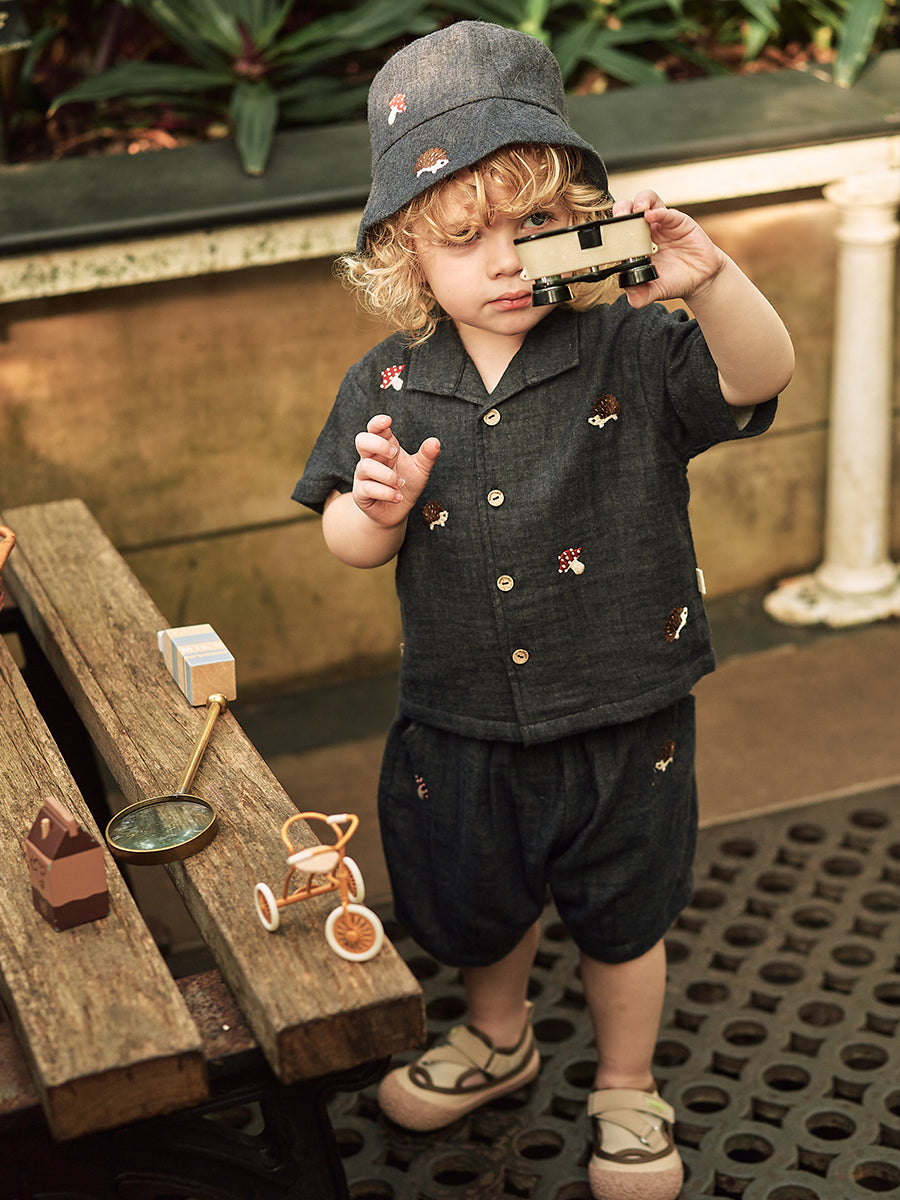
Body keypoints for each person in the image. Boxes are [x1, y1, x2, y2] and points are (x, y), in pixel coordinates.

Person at [292, 21, 794, 1200]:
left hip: (626, 708)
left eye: (533, 226)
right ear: (406, 254)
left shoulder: (633, 344)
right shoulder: (388, 380)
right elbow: (343, 537)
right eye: (464, 238)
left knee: (626, 914)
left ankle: (626, 1084)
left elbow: (757, 376)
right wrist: (377, 509)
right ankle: (500, 1036)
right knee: (481, 901)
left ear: (583, 217)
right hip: (462, 715)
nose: (506, 262)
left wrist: (714, 280)